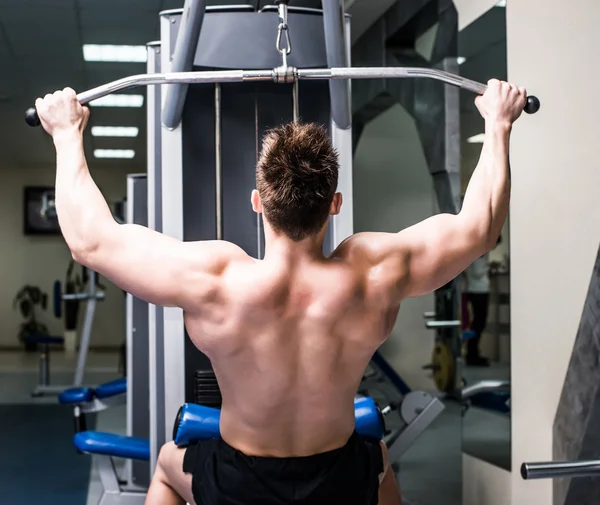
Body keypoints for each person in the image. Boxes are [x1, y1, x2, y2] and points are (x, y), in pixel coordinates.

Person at [35, 78, 526, 505]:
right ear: (334, 204)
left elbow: (90, 241)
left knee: (167, 463)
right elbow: (479, 227)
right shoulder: (373, 273)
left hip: (238, 486)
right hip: (337, 479)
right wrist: (498, 124)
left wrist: (65, 135)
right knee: (375, 458)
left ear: (257, 203)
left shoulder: (218, 280)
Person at [464, 235, 502, 367]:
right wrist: (489, 267)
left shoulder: (479, 253)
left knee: (479, 323)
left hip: (479, 290)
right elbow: (477, 272)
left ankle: (473, 352)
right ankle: (472, 353)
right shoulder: (478, 254)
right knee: (478, 323)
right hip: (478, 291)